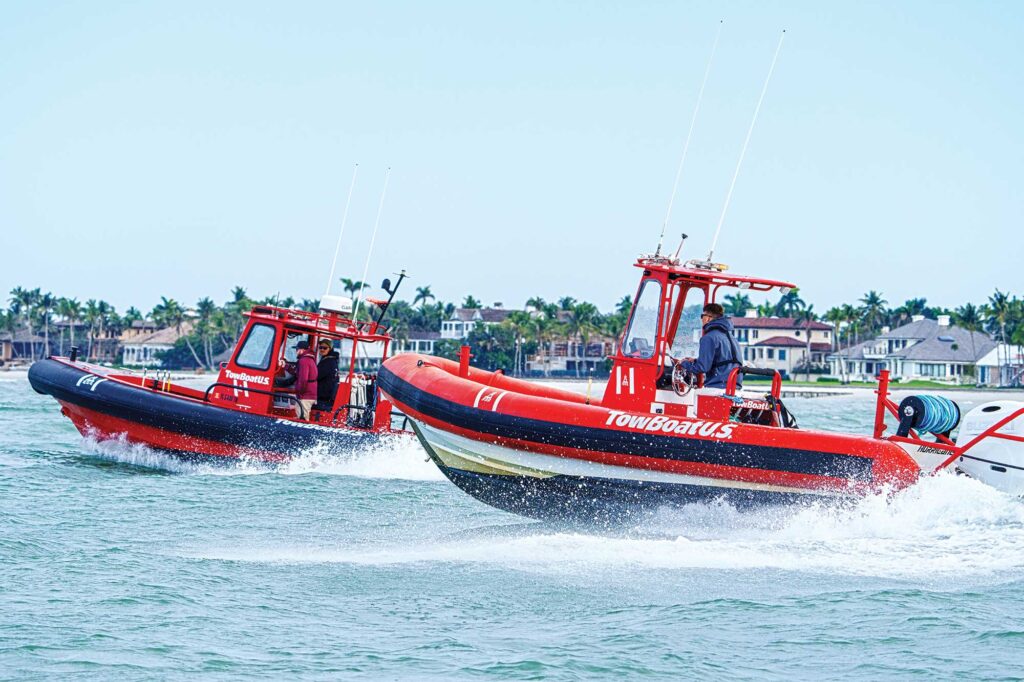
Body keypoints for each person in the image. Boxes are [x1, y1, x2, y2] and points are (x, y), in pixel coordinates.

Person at [679, 303, 743, 391]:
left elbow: (702, 367)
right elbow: (723, 360)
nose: (701, 319)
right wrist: (696, 361)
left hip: (719, 386)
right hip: (734, 386)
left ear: (708, 318)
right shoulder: (731, 338)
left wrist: (683, 363)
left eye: (702, 316)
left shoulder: (709, 337)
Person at [287, 340, 319, 419]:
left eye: (296, 349)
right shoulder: (309, 359)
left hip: (305, 395)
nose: (296, 352)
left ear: (301, 350)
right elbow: (297, 372)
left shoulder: (303, 361)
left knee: (303, 417)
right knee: (301, 415)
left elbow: (303, 379)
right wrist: (286, 366)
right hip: (309, 394)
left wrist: (299, 392)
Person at [315, 339, 340, 409]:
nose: (322, 349)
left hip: (323, 398)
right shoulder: (332, 360)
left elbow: (316, 376)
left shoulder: (328, 362)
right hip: (326, 396)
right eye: (320, 347)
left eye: (325, 348)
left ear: (330, 349)